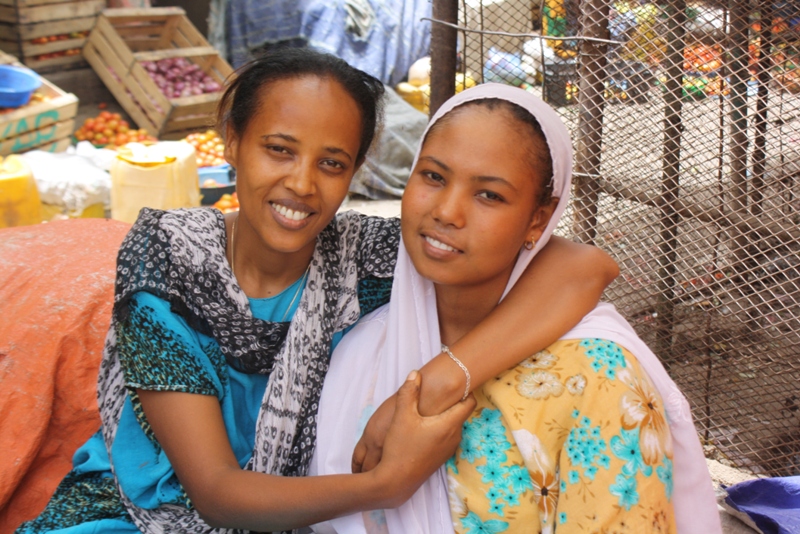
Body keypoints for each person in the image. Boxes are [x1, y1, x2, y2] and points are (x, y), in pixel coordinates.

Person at [17, 50, 618, 533]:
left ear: (354, 173)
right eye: (278, 150)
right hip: (131, 514)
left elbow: (584, 265)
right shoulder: (168, 257)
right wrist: (384, 485)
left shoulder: (365, 256)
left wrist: (440, 376)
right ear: (231, 142)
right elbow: (218, 495)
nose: (301, 184)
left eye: (331, 163)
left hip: (298, 516)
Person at [313, 84, 722, 533]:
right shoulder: (362, 341)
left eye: (489, 195)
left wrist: (442, 379)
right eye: (432, 176)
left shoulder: (597, 378)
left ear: (538, 220)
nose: (447, 211)